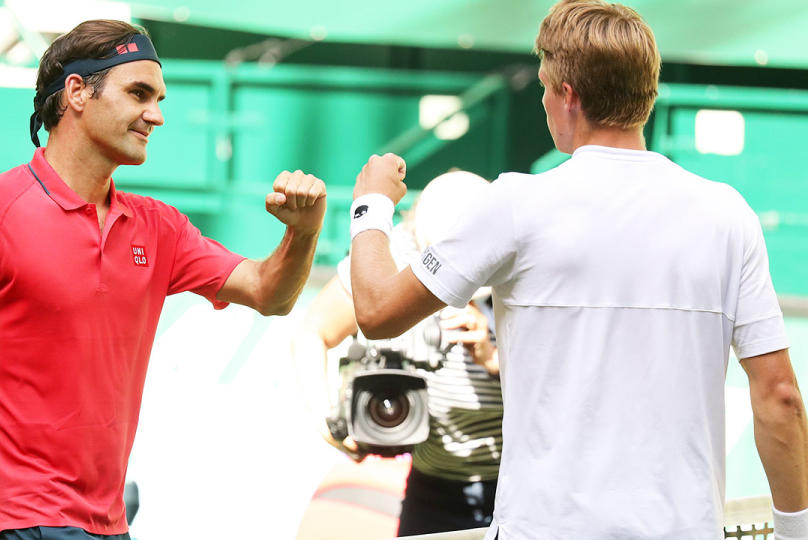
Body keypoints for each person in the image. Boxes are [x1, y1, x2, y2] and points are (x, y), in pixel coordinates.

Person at [345, 1, 808, 539]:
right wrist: (796, 532)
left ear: (568, 95)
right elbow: (780, 397)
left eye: (544, 85)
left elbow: (377, 310)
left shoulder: (515, 203)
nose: (543, 100)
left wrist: (371, 205)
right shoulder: (729, 215)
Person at [0, 20, 327, 540]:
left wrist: (304, 231)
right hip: (14, 523)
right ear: (76, 92)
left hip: (109, 524)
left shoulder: (160, 227)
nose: (157, 116)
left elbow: (268, 293)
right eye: (139, 93)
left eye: (159, 98)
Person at [292, 171, 503, 536]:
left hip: (522, 481)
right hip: (434, 485)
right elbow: (314, 332)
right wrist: (327, 417)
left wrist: (495, 357)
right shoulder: (391, 261)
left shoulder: (525, 267)